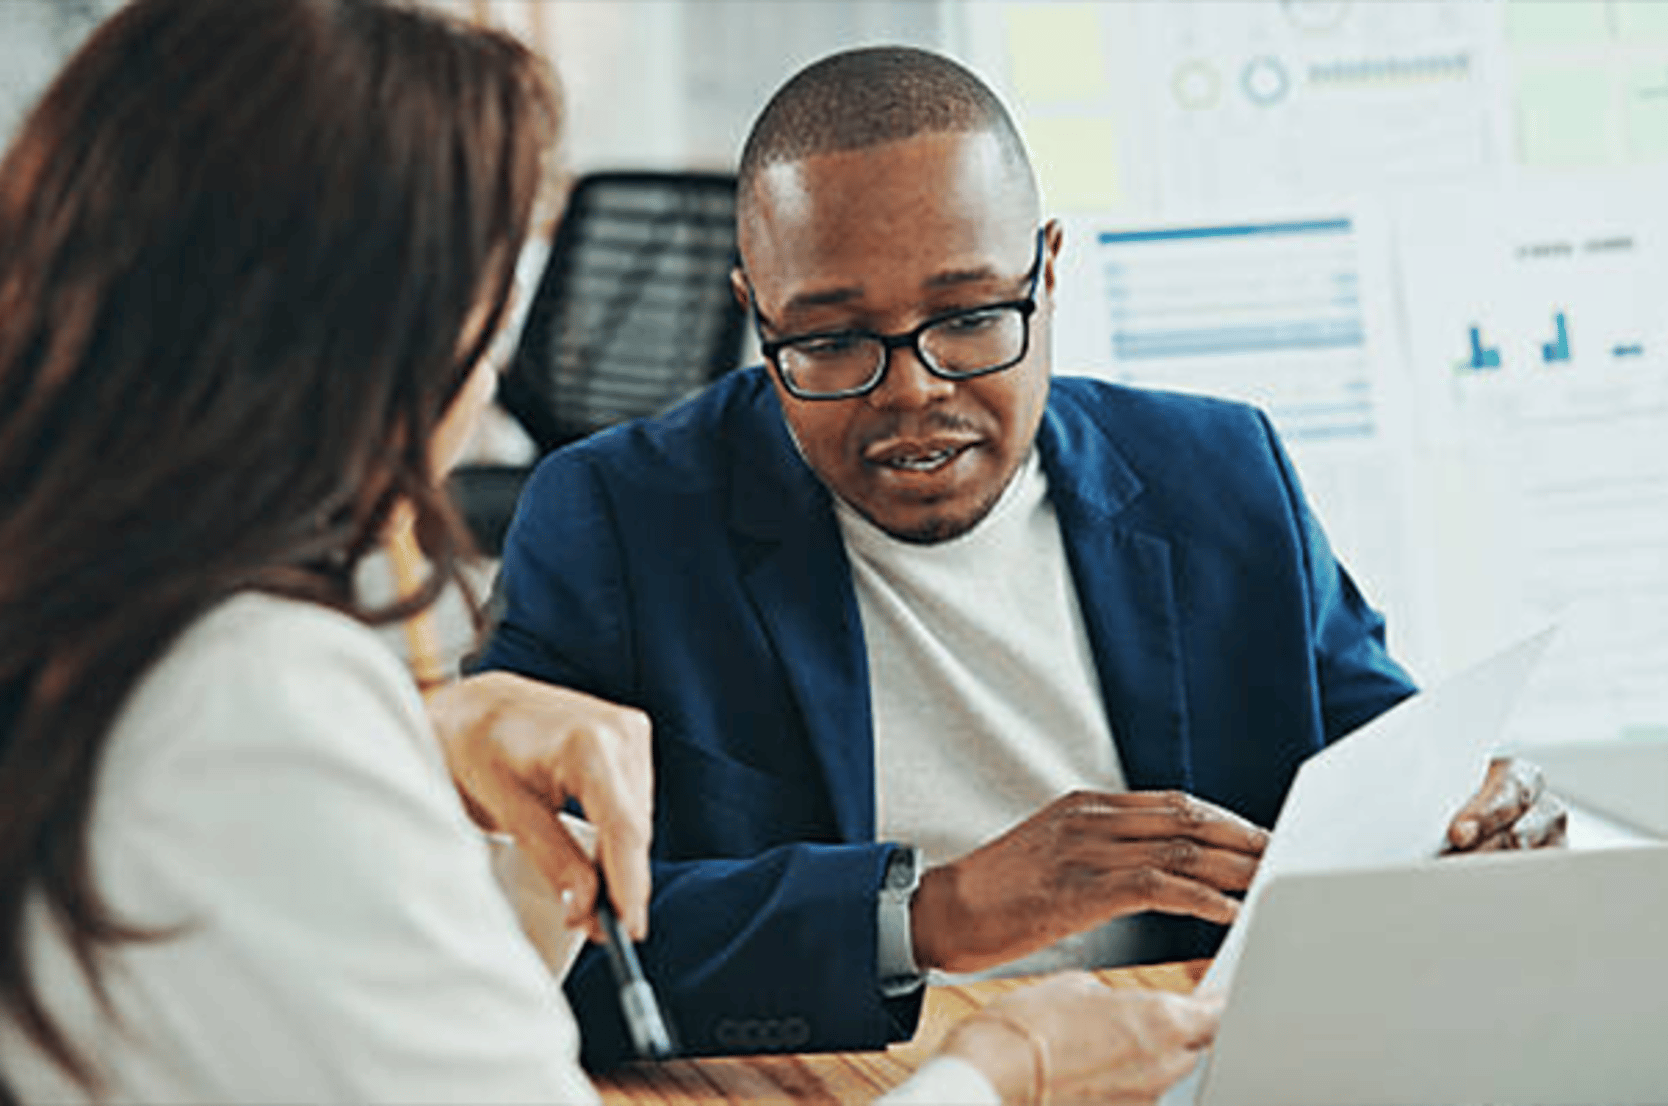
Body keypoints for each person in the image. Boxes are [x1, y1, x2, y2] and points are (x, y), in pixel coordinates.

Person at [0, 5, 1220, 1105]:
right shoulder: (249, 697)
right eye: (495, 292)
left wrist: (489, 874)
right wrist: (1010, 1065)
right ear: (377, 341)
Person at [474, 45, 1568, 1068]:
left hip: (1189, 1061)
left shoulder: (1221, 474)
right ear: (754, 312)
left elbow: (1387, 772)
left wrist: (1468, 820)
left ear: (1048, 273)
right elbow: (510, 947)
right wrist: (932, 909)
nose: (914, 389)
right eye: (831, 340)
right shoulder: (617, 520)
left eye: (969, 315)